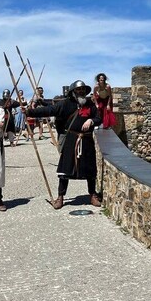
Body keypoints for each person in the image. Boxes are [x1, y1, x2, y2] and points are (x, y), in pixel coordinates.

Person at [26, 80, 101, 209]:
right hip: (71, 139)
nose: (81, 92)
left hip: (87, 140)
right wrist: (30, 112)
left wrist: (91, 120)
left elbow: (99, 118)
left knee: (90, 169)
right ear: (73, 92)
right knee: (65, 169)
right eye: (79, 90)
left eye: (83, 89)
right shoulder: (65, 104)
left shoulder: (90, 104)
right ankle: (60, 197)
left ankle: (92, 195)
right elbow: (49, 110)